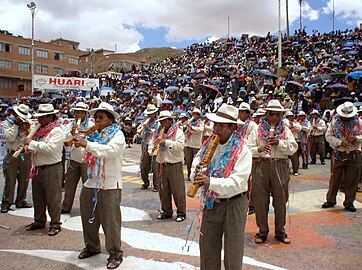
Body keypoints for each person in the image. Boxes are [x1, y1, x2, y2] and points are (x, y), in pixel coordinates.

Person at [191, 103, 252, 270]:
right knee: (208, 246)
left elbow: (238, 183)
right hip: (213, 202)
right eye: (214, 124)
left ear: (233, 127)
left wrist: (210, 182)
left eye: (220, 125)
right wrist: (196, 173)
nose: (215, 129)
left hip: (234, 203)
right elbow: (195, 164)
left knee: (233, 250)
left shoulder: (243, 150)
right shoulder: (207, 146)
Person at [74, 102, 125, 269]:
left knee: (111, 222)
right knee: (88, 218)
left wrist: (86, 144)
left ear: (110, 120)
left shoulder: (118, 135)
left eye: (101, 117)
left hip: (109, 184)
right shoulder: (92, 136)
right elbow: (84, 157)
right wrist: (77, 144)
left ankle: (115, 254)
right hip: (91, 182)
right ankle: (92, 247)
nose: (97, 120)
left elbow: (108, 151)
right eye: (95, 117)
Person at [247, 100, 298, 244]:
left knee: (281, 199)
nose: (274, 117)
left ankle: (280, 231)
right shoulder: (257, 129)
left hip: (280, 165)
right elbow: (247, 148)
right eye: (271, 114)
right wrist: (258, 150)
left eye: (277, 114)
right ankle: (262, 231)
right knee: (260, 200)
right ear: (266, 114)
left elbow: (293, 148)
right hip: (262, 165)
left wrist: (279, 143)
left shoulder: (286, 130)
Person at [22, 104, 64, 236]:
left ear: (49, 117)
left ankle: (55, 224)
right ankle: (39, 221)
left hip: (52, 168)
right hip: (38, 168)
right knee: (38, 197)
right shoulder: (39, 131)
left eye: (42, 117)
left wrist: (32, 143)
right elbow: (37, 147)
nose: (38, 120)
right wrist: (28, 147)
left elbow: (49, 148)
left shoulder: (57, 131)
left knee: (53, 198)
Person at [323, 102, 362, 212]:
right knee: (335, 178)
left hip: (354, 153)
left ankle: (349, 202)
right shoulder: (334, 122)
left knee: (352, 179)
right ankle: (330, 200)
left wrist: (357, 138)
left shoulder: (359, 122)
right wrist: (339, 142)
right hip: (339, 153)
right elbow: (328, 136)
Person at [149, 111, 186, 222]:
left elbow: (180, 146)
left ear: (170, 120)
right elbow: (150, 145)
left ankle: (181, 212)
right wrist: (153, 149)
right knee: (163, 189)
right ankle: (166, 211)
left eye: (165, 120)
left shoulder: (178, 132)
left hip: (174, 164)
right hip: (160, 164)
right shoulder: (156, 133)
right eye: (161, 121)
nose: (162, 123)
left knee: (178, 190)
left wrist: (166, 142)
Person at [61, 102, 94, 214]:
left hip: (86, 159)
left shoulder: (91, 124)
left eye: (81, 112)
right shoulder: (70, 125)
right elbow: (64, 140)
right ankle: (65, 206)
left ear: (85, 114)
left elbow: (94, 139)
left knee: (88, 184)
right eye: (77, 112)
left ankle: (89, 208)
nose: (79, 115)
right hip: (73, 159)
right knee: (69, 184)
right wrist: (71, 133)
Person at [1, 104, 33, 213]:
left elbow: (33, 136)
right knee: (10, 179)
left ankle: (21, 200)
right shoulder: (7, 123)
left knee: (24, 179)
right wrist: (16, 125)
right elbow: (10, 138)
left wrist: (28, 128)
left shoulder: (29, 123)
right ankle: (6, 202)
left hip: (25, 153)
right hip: (12, 153)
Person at [137, 104, 159, 191]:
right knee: (144, 165)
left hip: (154, 145)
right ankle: (145, 182)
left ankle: (156, 185)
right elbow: (139, 130)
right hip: (145, 145)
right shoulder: (144, 121)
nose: (149, 116)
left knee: (155, 166)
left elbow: (157, 132)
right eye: (148, 114)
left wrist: (149, 129)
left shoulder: (158, 122)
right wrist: (142, 128)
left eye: (151, 114)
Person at [184, 108, 204, 181]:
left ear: (198, 116)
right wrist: (186, 126)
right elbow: (185, 131)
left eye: (195, 114)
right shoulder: (190, 122)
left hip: (196, 145)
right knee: (188, 161)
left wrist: (191, 127)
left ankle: (196, 175)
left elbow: (200, 130)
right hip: (188, 144)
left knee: (195, 161)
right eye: (193, 114)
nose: (194, 115)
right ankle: (189, 175)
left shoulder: (201, 123)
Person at [284, 111, 302, 175]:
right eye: (288, 116)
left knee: (294, 157)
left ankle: (295, 170)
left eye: (291, 116)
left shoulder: (296, 123)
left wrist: (292, 124)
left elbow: (299, 128)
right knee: (285, 156)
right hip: (285, 141)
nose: (289, 118)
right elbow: (287, 125)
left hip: (294, 140)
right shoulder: (284, 122)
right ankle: (286, 170)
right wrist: (289, 124)